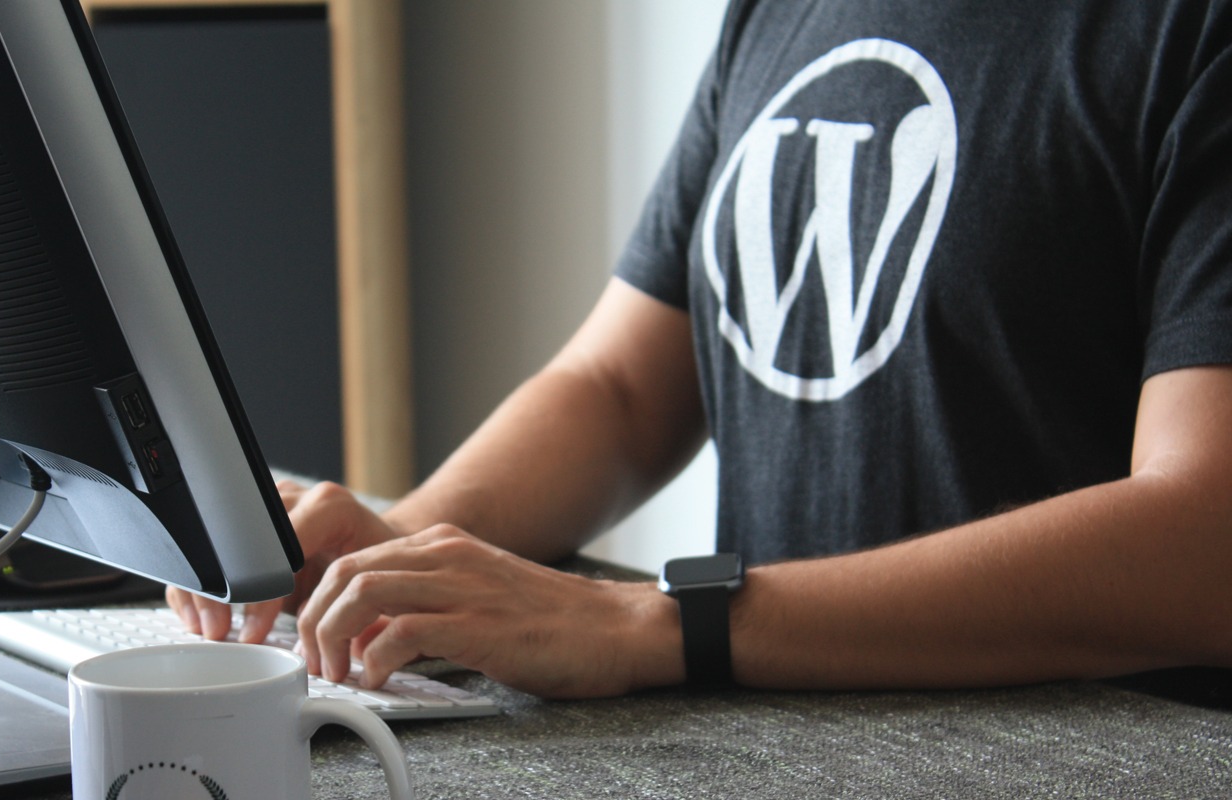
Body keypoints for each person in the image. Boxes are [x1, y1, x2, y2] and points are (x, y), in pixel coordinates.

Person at [169, 0, 1232, 699]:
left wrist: (663, 622)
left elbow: (1205, 542)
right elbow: (624, 384)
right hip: (781, 744)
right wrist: (405, 549)